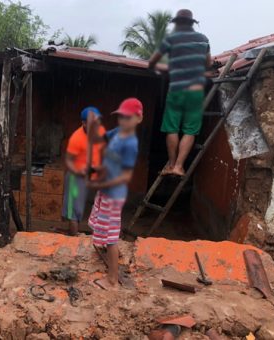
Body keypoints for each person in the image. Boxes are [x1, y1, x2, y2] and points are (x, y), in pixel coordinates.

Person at [86, 98, 142, 290]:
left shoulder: (130, 144)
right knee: (96, 223)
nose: (123, 121)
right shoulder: (118, 133)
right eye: (120, 117)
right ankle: (106, 254)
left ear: (138, 118)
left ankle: (112, 280)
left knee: (111, 237)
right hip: (105, 189)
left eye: (127, 118)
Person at [148, 9, 211, 176]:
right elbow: (208, 64)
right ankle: (179, 167)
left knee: (172, 128)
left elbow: (152, 62)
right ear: (191, 23)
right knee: (190, 130)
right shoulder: (203, 39)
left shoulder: (171, 39)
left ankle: (171, 164)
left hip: (176, 91)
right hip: (195, 92)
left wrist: (166, 67)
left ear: (177, 23)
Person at [61, 107, 106, 236]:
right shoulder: (76, 138)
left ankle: (98, 237)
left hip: (95, 174)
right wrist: (78, 170)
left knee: (100, 206)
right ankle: (74, 237)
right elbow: (68, 160)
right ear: (84, 123)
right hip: (77, 176)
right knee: (75, 210)